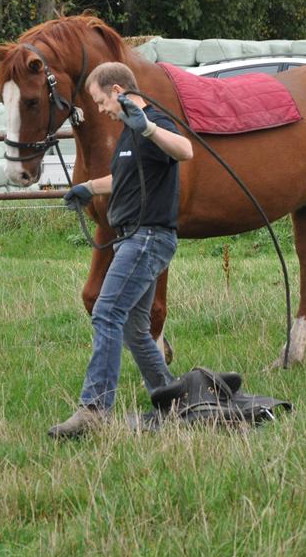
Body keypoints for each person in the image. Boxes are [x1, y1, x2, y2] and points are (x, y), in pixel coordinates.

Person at [48, 61, 194, 439]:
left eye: (100, 100)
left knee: (106, 312)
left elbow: (185, 151)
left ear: (117, 91)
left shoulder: (154, 123)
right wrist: (88, 188)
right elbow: (124, 177)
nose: (99, 109)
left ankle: (95, 409)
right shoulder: (126, 135)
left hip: (149, 238)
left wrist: (147, 128)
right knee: (132, 325)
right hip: (133, 237)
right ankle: (172, 400)